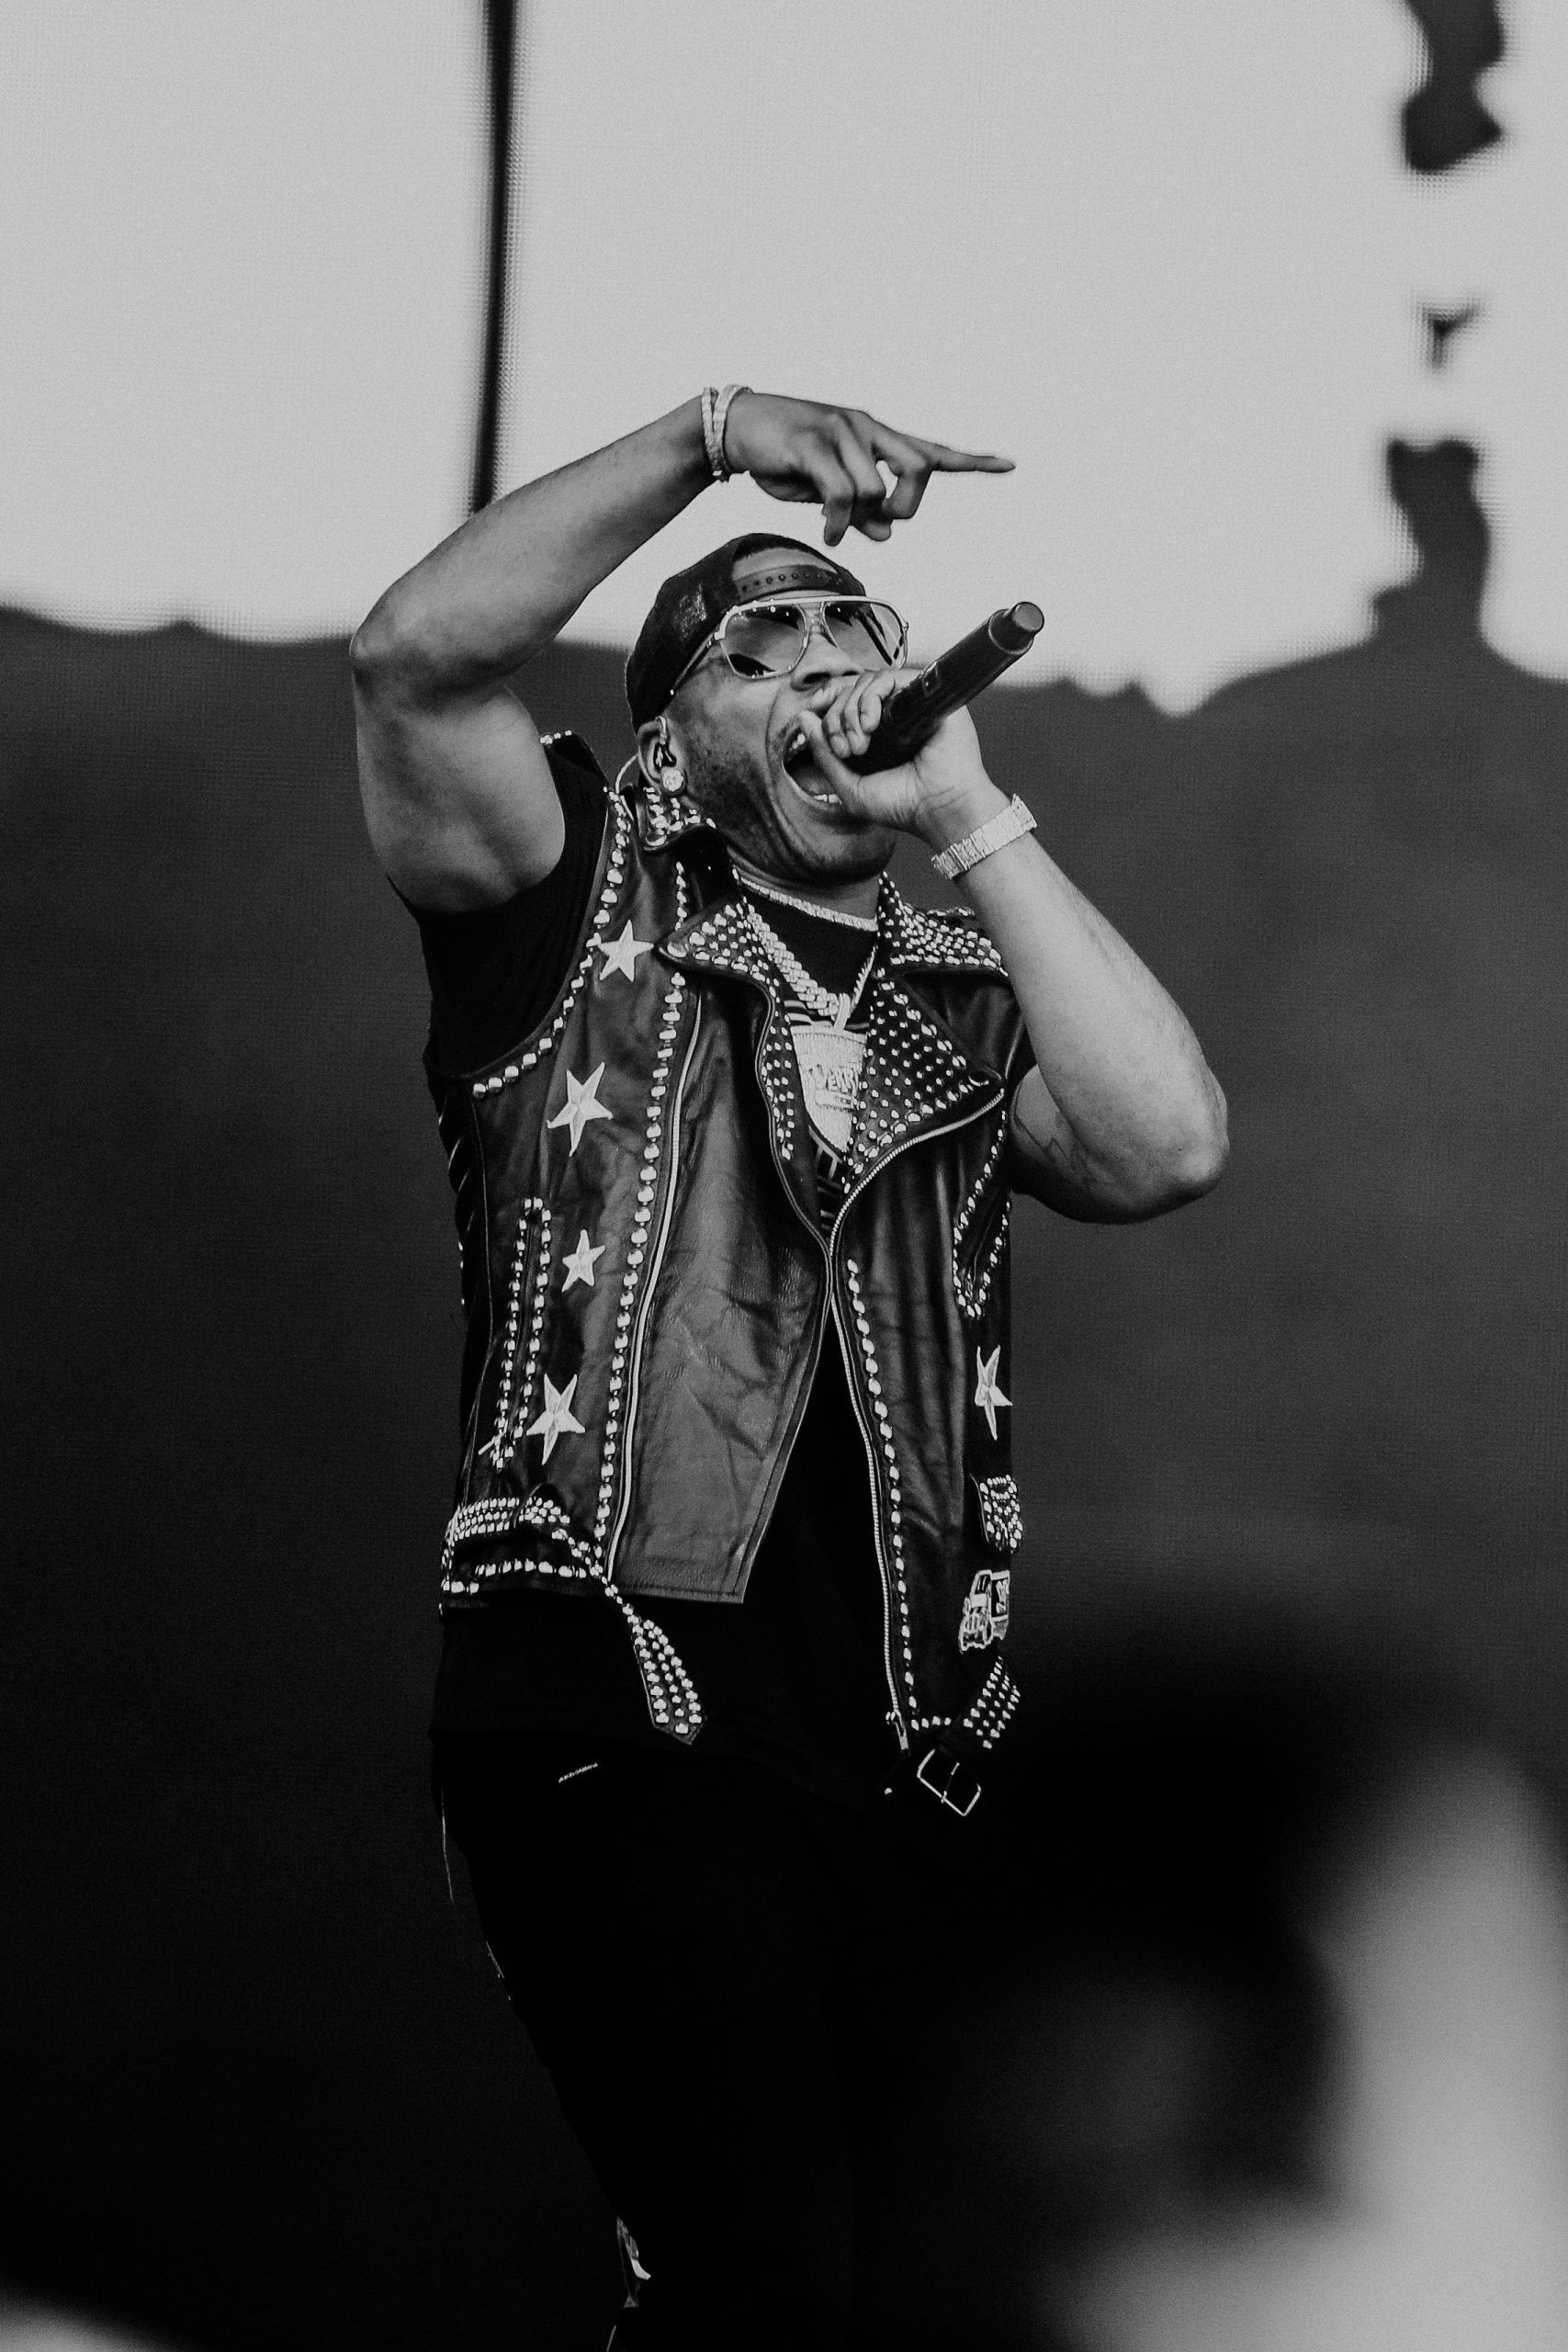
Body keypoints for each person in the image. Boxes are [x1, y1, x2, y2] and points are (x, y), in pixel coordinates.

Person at [350, 387, 1228, 2349]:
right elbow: (414, 658)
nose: (827, 662)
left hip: (905, 1742)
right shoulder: (572, 898)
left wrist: (970, 817)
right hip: (619, 1701)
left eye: (853, 630)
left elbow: (1163, 1146)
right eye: (760, 646)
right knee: (765, 2268)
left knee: (913, 2289)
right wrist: (718, 430)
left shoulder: (958, 1000)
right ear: (672, 740)